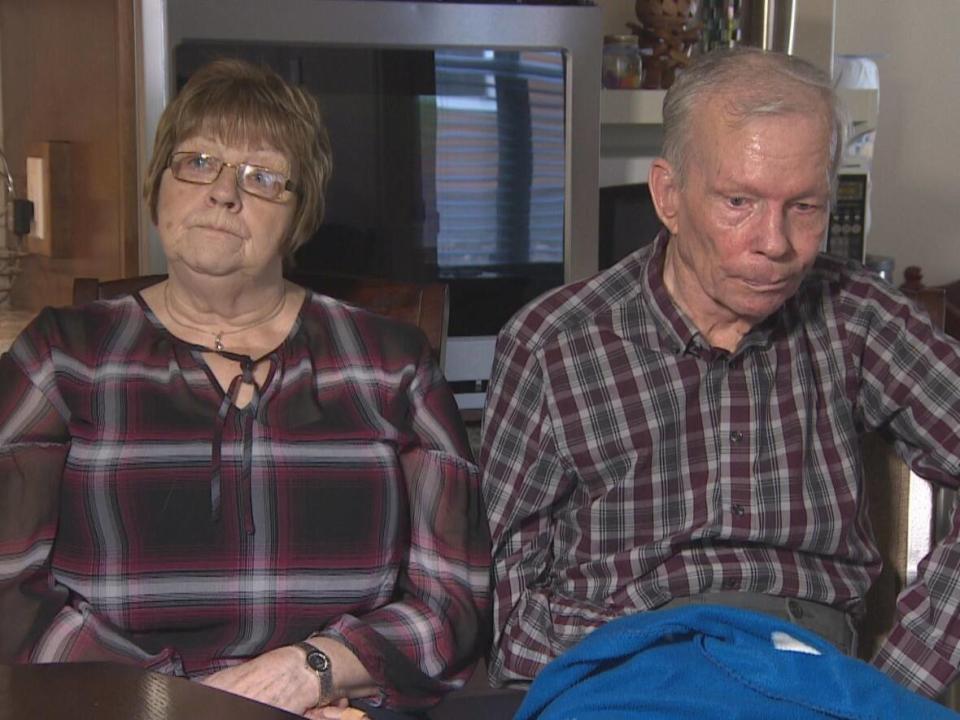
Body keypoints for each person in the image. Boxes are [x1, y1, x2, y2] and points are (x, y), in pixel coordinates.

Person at [0, 58, 490, 719]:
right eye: (197, 161)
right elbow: (9, 595)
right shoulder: (61, 356)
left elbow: (453, 601)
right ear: (158, 184)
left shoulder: (390, 365)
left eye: (262, 178)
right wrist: (181, 702)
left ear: (301, 210)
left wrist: (313, 670)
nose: (223, 193)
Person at [480, 46, 960, 700]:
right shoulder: (553, 344)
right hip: (623, 663)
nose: (775, 243)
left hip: (804, 664)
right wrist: (619, 672)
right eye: (739, 200)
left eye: (805, 207)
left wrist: (901, 681)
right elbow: (505, 599)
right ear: (669, 196)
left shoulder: (858, 318)